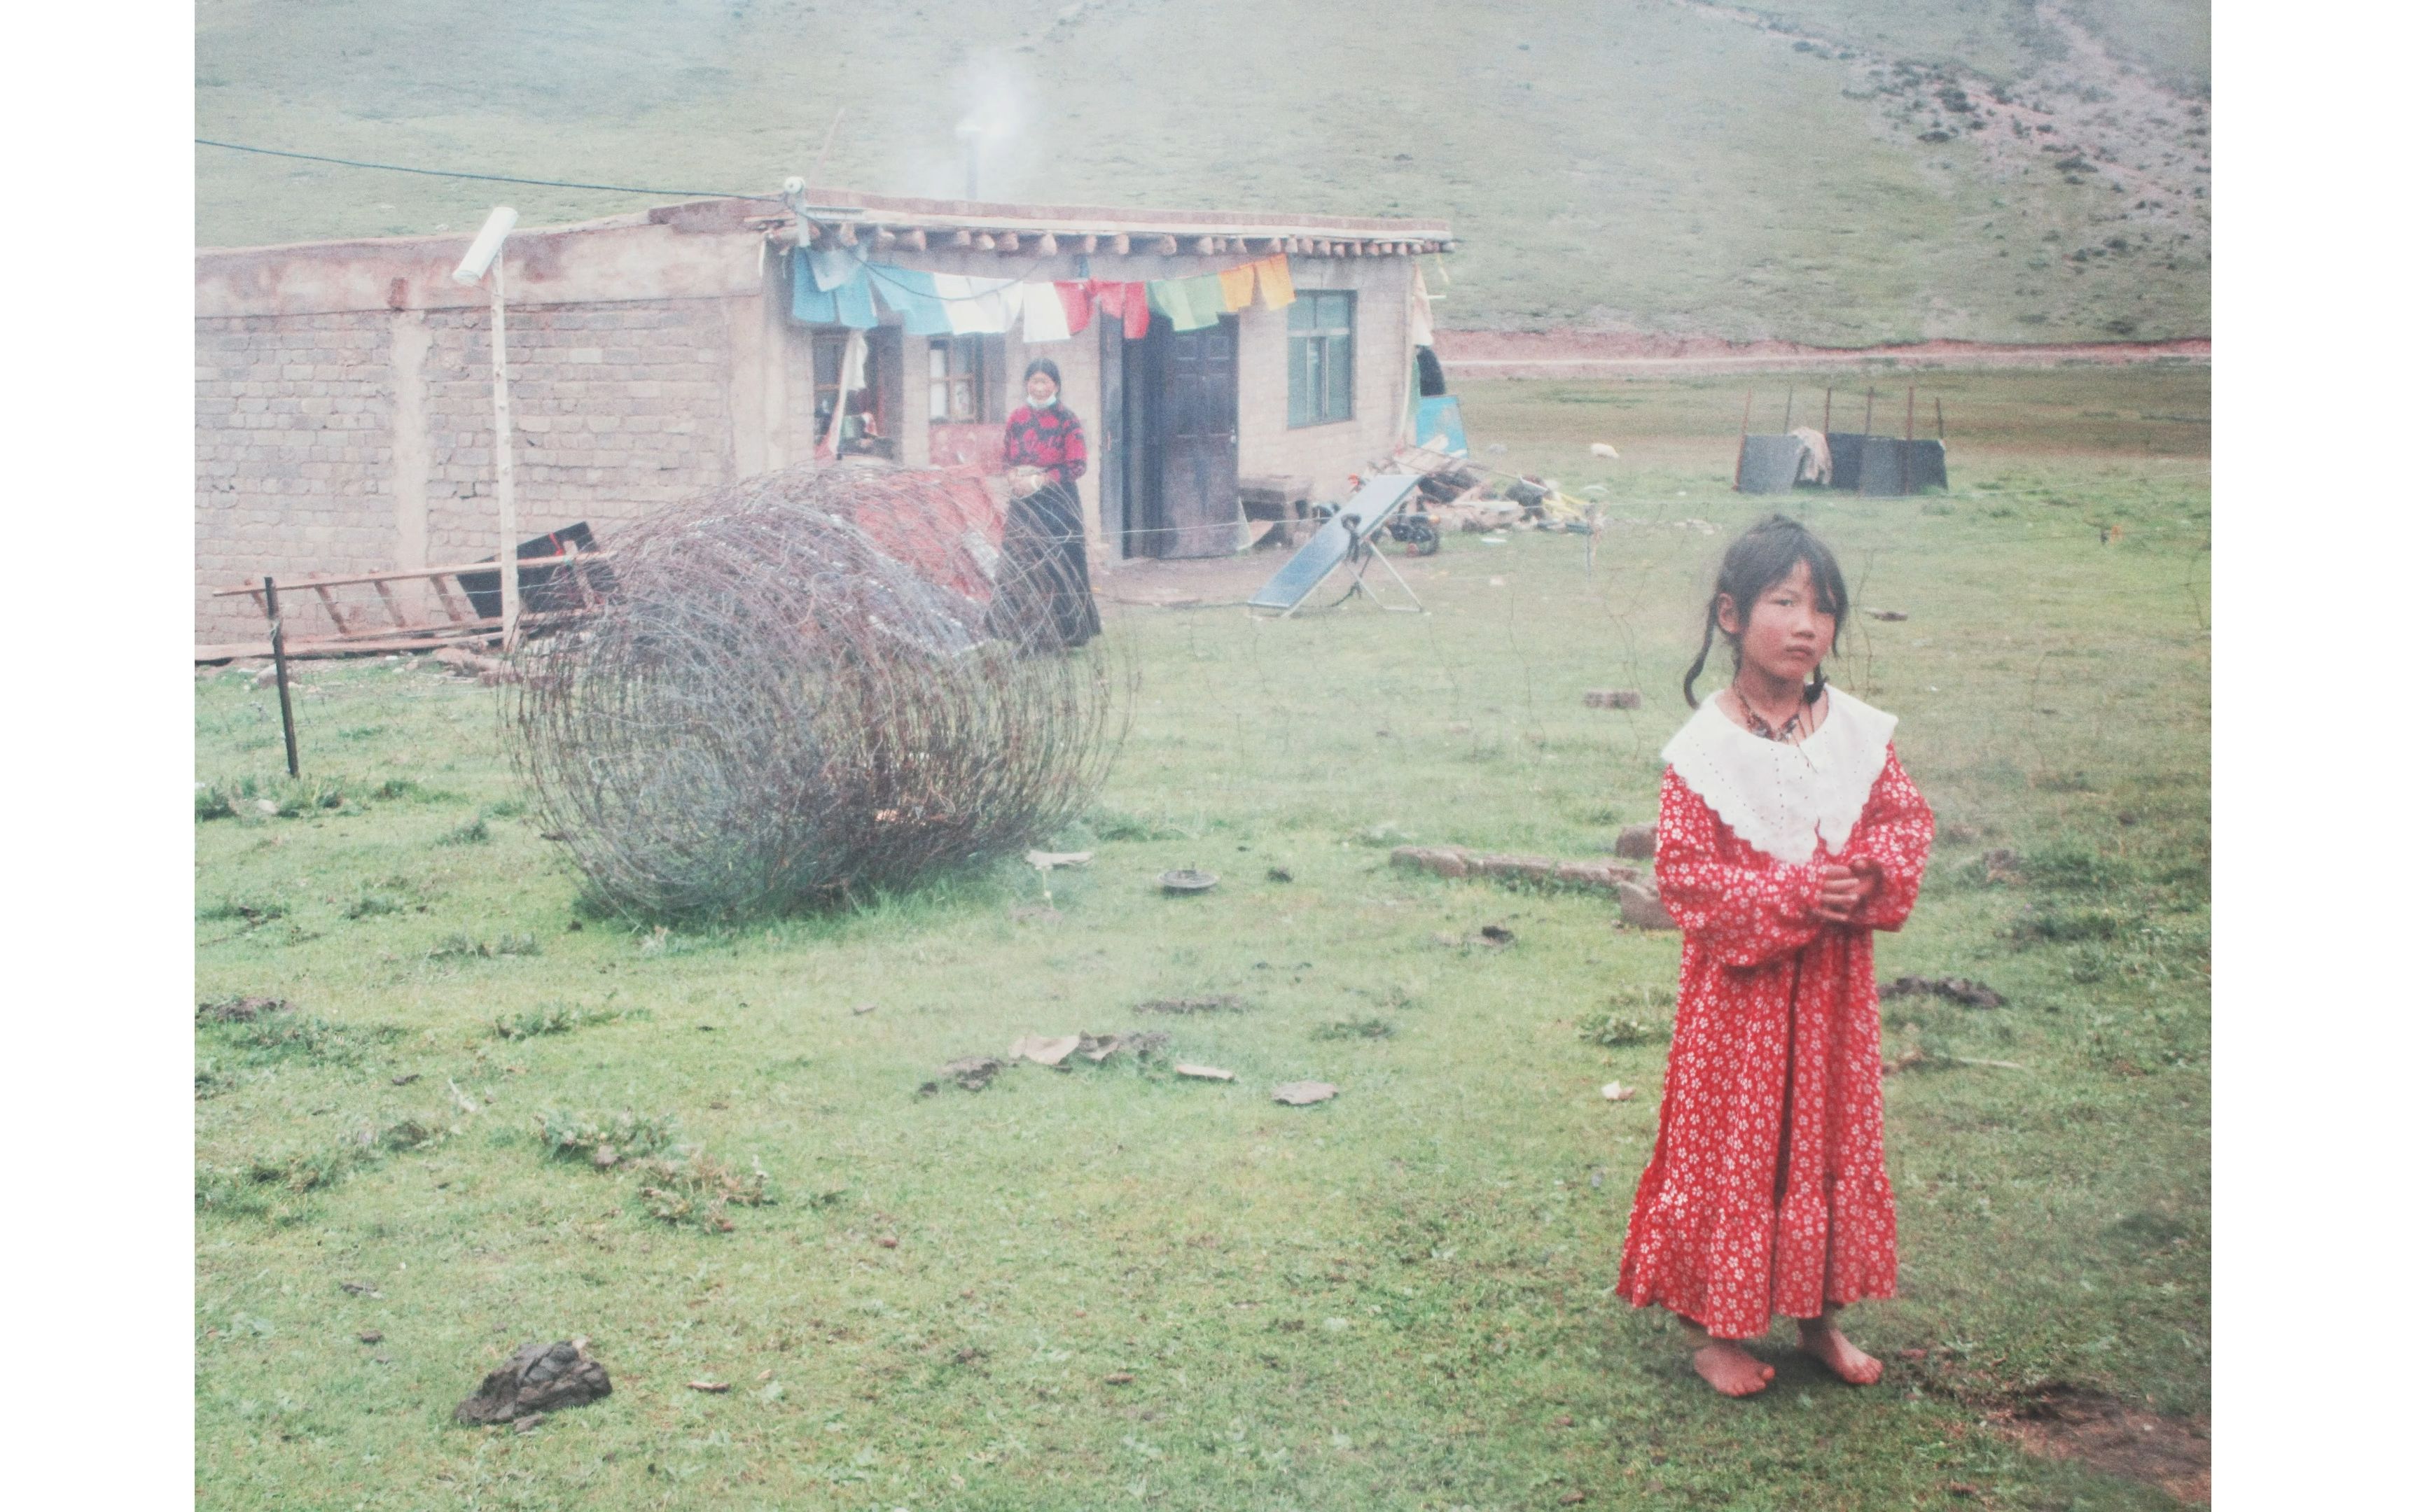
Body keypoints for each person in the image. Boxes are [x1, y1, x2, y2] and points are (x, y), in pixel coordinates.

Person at [1615, 514, 1934, 1398]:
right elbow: (1686, 878)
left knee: (1825, 1137)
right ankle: (1717, 1331)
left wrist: (1867, 876)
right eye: (1784, 602)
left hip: (1832, 992)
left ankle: (1818, 1320)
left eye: (1824, 608)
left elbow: (1903, 821)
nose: (1807, 626)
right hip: (1741, 1003)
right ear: (1730, 615)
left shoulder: (1858, 733)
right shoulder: (1704, 751)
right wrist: (1797, 895)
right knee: (1737, 1147)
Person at [996, 357, 1100, 650]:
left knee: (1058, 565)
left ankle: (1063, 636)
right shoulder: (1017, 418)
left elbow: (1077, 466)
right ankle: (1025, 635)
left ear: (1056, 384)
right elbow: (1006, 454)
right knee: (1023, 565)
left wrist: (1040, 481)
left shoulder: (1067, 419)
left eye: (1045, 381)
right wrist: (1013, 474)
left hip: (1058, 504)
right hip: (1024, 504)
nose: (1039, 387)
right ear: (1026, 384)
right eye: (1034, 381)